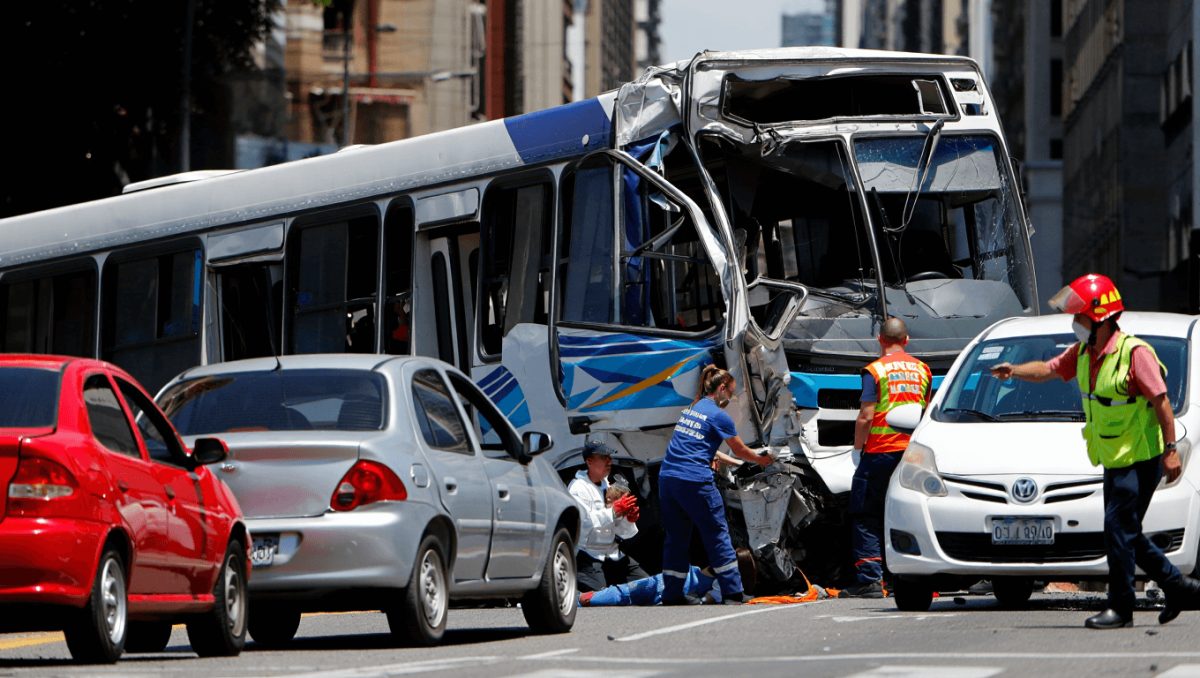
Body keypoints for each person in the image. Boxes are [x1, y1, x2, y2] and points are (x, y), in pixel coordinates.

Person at [990, 273, 1200, 628]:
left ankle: (1122, 607)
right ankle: (1178, 586)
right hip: (1114, 458)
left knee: (1118, 530)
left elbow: (1162, 403)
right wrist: (1014, 370)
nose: (1075, 323)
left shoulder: (1134, 354)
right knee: (1124, 532)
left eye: (1080, 317)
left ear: (1101, 318)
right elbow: (1048, 369)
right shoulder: (1085, 354)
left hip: (1142, 458)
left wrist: (1170, 451)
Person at [659, 365, 772, 606]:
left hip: (668, 479)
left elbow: (708, 450)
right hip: (695, 481)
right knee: (717, 534)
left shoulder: (693, 409)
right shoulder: (720, 416)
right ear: (721, 388)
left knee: (676, 537)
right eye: (730, 392)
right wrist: (762, 459)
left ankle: (672, 594)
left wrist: (737, 463)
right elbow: (740, 448)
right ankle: (733, 593)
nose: (731, 398)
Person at [843, 317, 932, 598]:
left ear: (880, 339)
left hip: (880, 452)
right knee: (907, 511)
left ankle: (870, 579)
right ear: (906, 340)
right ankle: (909, 575)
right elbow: (925, 412)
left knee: (865, 513)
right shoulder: (923, 370)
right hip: (913, 454)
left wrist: (858, 448)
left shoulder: (874, 370)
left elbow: (866, 415)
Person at [567, 441, 648, 592]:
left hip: (613, 554)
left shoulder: (608, 486)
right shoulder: (577, 488)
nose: (609, 461)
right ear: (589, 461)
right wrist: (614, 511)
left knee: (646, 586)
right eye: (604, 457)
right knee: (601, 598)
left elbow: (622, 533)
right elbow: (583, 524)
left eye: (609, 457)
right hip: (588, 556)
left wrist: (628, 520)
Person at [579, 548, 757, 606]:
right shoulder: (731, 580)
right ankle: (580, 599)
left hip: (665, 583)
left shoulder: (725, 573)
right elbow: (710, 598)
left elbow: (709, 597)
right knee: (622, 595)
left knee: (623, 594)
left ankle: (580, 599)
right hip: (668, 584)